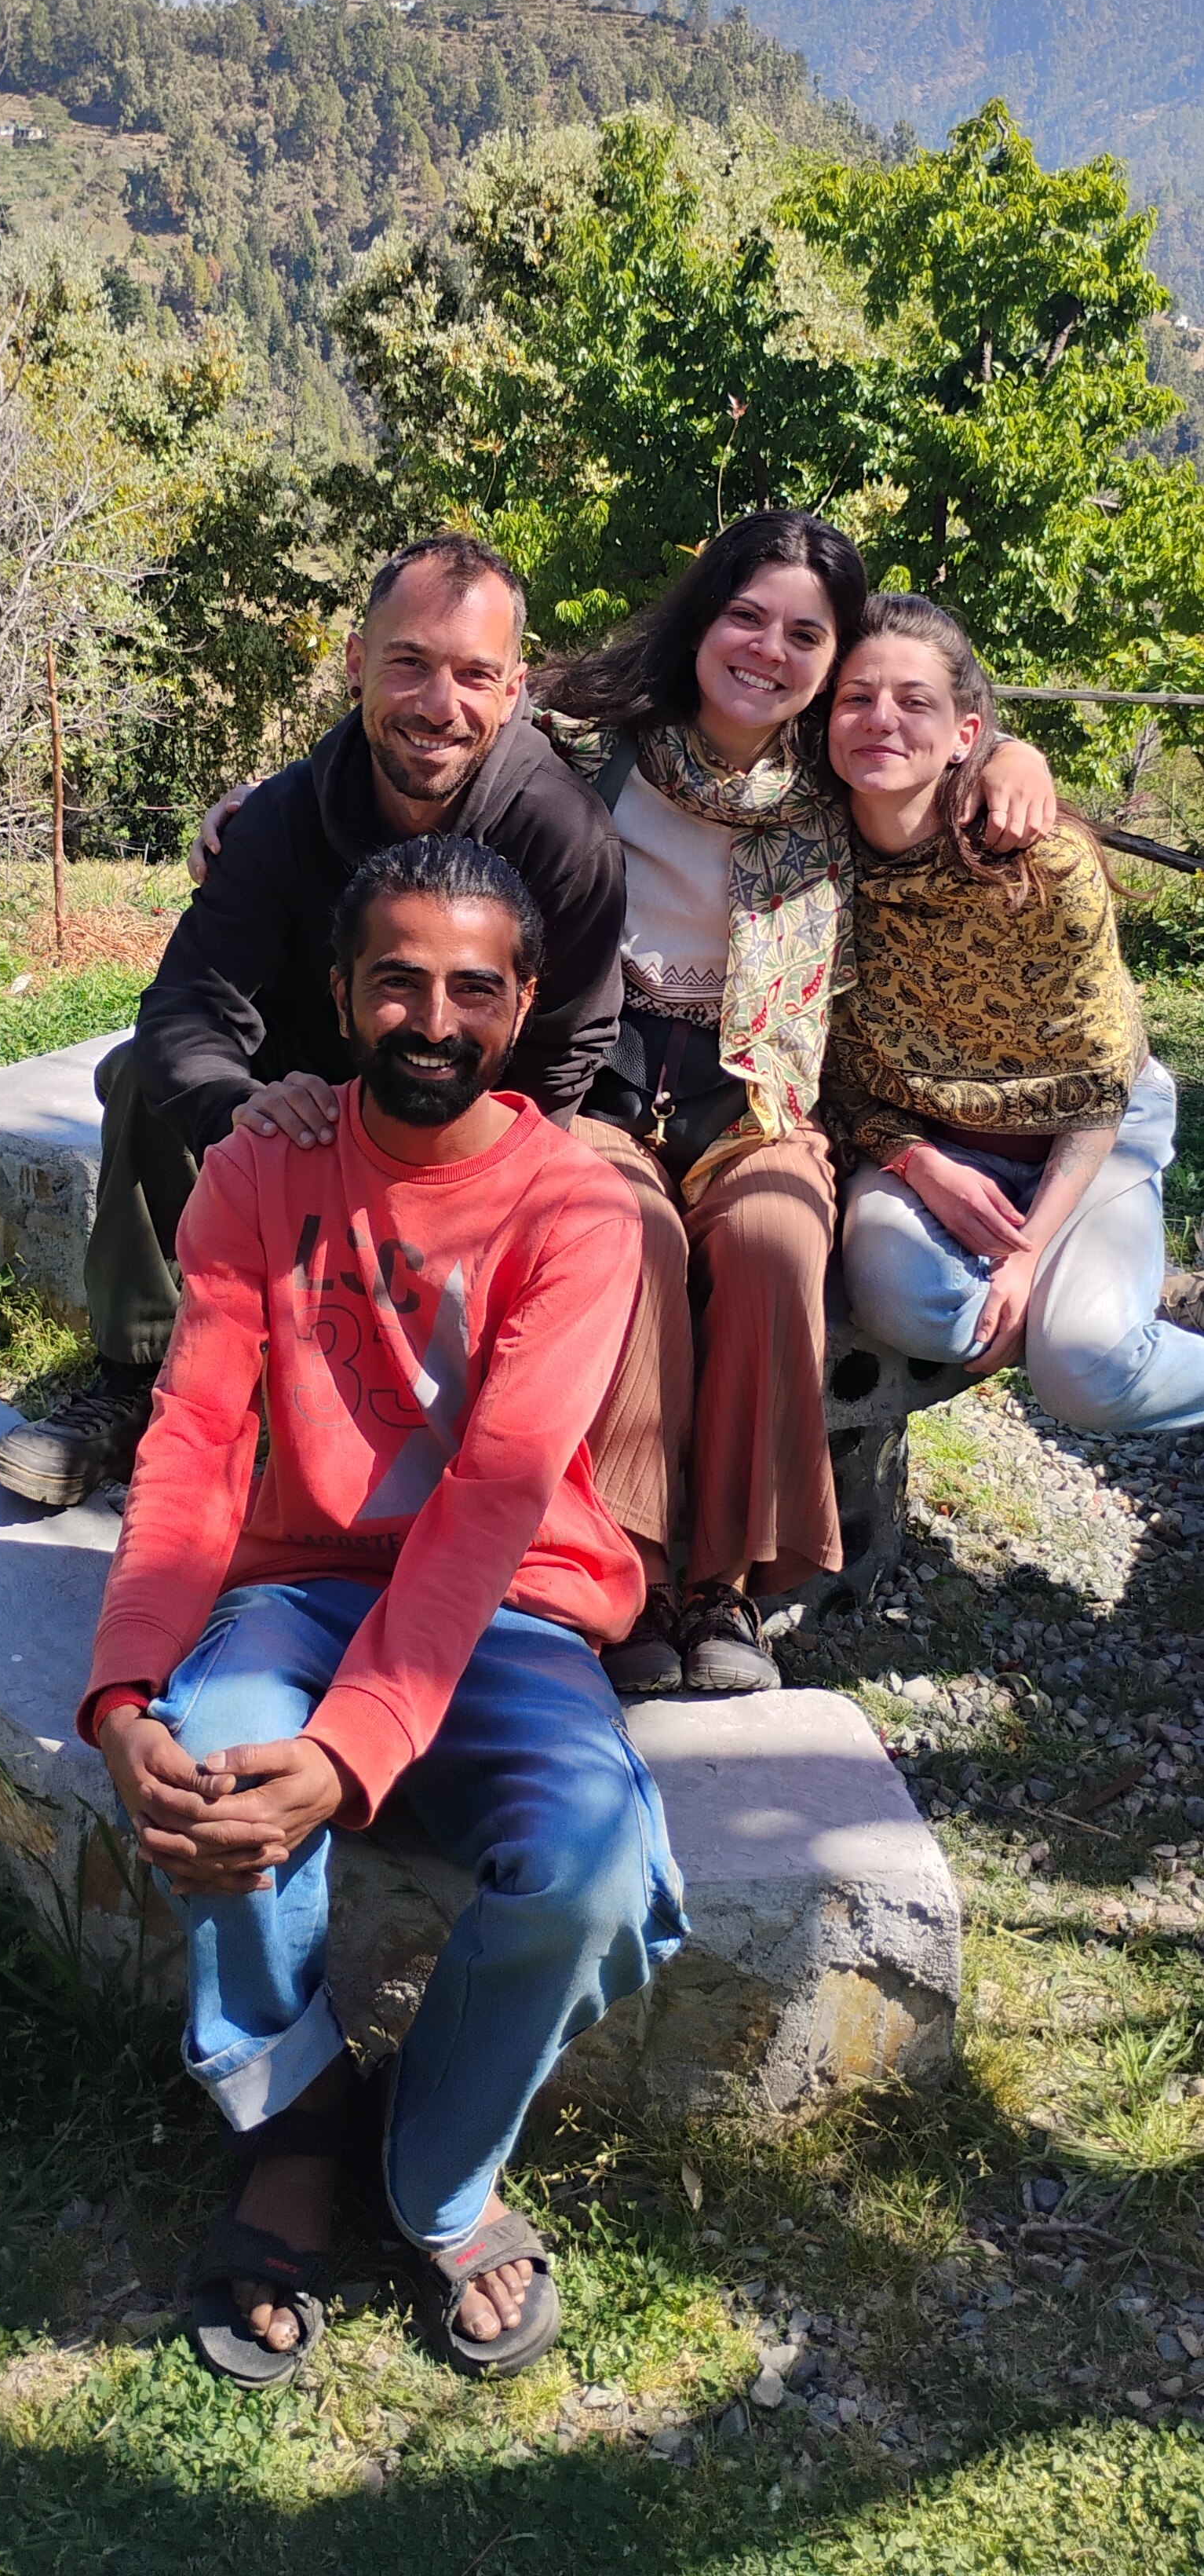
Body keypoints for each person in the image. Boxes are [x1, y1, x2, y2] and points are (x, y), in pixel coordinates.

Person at [82, 832, 686, 2388]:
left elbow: (492, 1497)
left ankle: (439, 2169)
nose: (432, 1019)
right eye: (397, 982)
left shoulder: (576, 1208)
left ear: (526, 1004)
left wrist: (352, 1749)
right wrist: (126, 1691)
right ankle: (295, 2121)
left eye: (473, 989)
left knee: (591, 1866)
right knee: (210, 1756)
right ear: (343, 994)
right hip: (300, 1588)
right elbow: (196, 1437)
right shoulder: (260, 1169)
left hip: (510, 1606)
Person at [0, 533, 688, 1566]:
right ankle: (137, 1373)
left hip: (464, 1108)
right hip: (307, 1090)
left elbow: (569, 1033)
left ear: (515, 691)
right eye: (409, 662)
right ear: (357, 663)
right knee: (143, 1076)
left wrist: (471, 1164)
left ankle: (471, 1430)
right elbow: (187, 1007)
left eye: (474, 674)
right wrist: (239, 1110)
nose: (437, 703)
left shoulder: (564, 836)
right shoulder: (279, 818)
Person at [533, 513, 1057, 1696]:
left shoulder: (833, 777)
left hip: (760, 1094)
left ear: (832, 660)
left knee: (775, 1240)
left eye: (806, 635)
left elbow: (943, 743)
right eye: (747, 617)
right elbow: (438, 733)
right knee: (627, 1237)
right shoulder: (588, 744)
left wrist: (1015, 756)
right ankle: (628, 1576)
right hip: (601, 1079)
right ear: (703, 618)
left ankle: (726, 1586)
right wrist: (264, 801)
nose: (769, 650)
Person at [823, 593, 1204, 1434]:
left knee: (1089, 1376)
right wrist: (918, 1162)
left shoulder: (1042, 866)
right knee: (905, 1302)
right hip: (931, 1137)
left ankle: (1086, 1325)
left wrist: (1028, 1256)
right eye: (856, 696)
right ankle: (1066, 1310)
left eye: (914, 700)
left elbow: (1100, 1083)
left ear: (966, 734)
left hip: (1089, 1134)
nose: (881, 718)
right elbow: (836, 1064)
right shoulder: (809, 857)